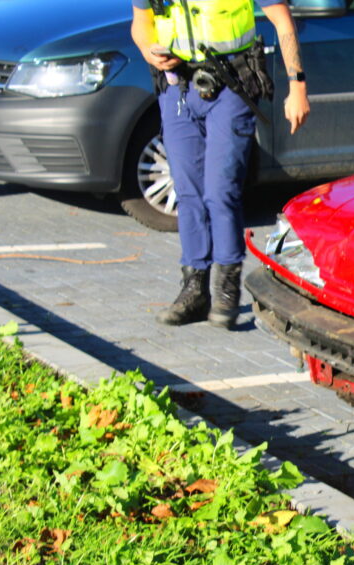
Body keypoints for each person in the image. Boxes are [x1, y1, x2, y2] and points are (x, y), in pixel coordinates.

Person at [130, 0, 310, 329]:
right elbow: (141, 23)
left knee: (219, 191)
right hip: (177, 89)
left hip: (229, 84)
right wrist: (148, 50)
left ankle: (226, 287)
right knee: (188, 193)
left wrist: (297, 85)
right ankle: (194, 289)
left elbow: (283, 20)